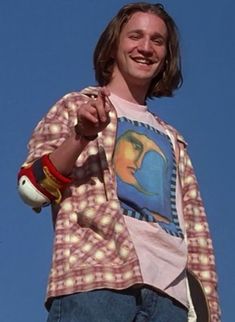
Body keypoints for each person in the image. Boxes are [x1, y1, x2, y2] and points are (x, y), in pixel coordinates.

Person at [17, 2, 220, 321]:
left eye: (157, 40)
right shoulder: (75, 107)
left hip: (171, 299)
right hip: (96, 284)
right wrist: (81, 135)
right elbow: (32, 188)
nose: (146, 47)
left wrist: (208, 308)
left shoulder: (173, 140)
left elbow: (196, 232)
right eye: (135, 36)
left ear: (166, 55)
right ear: (113, 45)